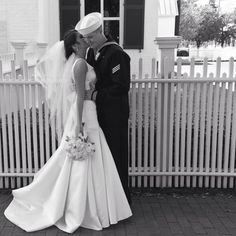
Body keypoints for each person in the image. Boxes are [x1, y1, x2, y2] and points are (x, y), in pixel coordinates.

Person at [4, 29, 132, 234]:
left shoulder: (85, 59)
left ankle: (91, 204)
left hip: (88, 110)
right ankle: (85, 206)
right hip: (84, 113)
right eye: (82, 38)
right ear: (75, 45)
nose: (86, 39)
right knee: (84, 158)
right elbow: (81, 96)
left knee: (91, 158)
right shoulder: (80, 64)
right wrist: (80, 123)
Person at [75, 12, 131, 203]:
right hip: (98, 114)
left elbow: (121, 87)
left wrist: (95, 95)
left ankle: (122, 199)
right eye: (86, 38)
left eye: (91, 36)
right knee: (103, 158)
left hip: (115, 115)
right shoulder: (92, 52)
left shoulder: (117, 54)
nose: (88, 41)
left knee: (117, 155)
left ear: (101, 31)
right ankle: (107, 199)